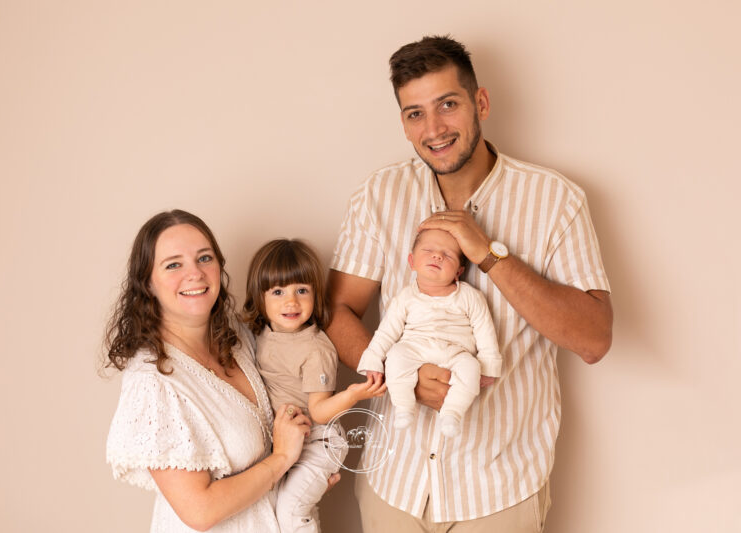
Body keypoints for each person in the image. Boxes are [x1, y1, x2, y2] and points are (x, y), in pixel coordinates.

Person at [327, 35, 613, 531]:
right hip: (393, 481)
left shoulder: (555, 200)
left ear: (480, 102)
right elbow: (335, 312)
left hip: (498, 488)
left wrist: (488, 254)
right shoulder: (380, 194)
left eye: (448, 104)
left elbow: (593, 340)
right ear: (403, 123)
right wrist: (406, 376)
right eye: (415, 113)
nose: (434, 128)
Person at [104, 210, 312, 532]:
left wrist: (309, 475)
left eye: (204, 258)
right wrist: (282, 459)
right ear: (147, 283)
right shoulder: (152, 382)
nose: (195, 274)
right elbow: (200, 510)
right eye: (173, 264)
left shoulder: (238, 340)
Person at [242, 239, 387, 533]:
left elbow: (320, 412)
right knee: (284, 512)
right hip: (286, 442)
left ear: (315, 294)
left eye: (302, 290)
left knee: (291, 512)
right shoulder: (261, 334)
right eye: (278, 291)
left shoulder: (315, 348)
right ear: (260, 297)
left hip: (318, 442)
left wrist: (352, 394)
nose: (291, 301)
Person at [356, 228, 501, 438]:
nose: (437, 256)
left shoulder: (470, 297)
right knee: (395, 357)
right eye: (429, 250)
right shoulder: (405, 297)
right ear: (412, 261)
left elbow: (484, 331)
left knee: (471, 369)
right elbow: (386, 333)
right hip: (415, 348)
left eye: (448, 255)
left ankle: (453, 413)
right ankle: (403, 407)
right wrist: (373, 360)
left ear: (459, 271)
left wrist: (489, 364)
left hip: (456, 352)